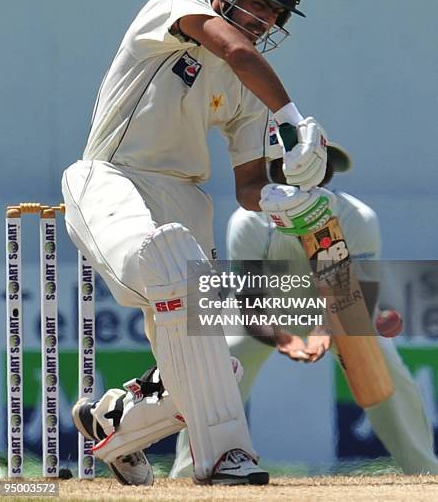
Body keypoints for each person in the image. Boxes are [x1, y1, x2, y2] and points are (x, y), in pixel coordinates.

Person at [62, 0, 334, 486]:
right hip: (111, 179)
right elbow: (232, 48)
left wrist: (286, 200)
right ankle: (227, 458)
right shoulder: (174, 4)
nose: (266, 20)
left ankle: (114, 421)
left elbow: (250, 185)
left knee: (217, 369)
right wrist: (294, 119)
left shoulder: (250, 89)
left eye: (276, 13)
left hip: (186, 201)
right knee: (167, 264)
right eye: (259, 4)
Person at [170, 142, 438, 477]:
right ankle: (187, 472)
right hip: (267, 311)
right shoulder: (250, 221)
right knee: (220, 364)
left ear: (328, 172)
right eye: (292, 164)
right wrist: (284, 338)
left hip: (340, 309)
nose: (305, 173)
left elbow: (356, 304)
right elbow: (250, 306)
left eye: (317, 164)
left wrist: (324, 333)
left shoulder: (357, 218)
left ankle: (425, 472)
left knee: (387, 368)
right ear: (276, 171)